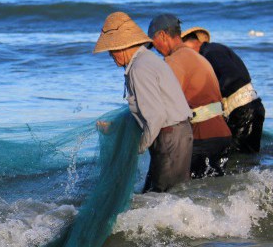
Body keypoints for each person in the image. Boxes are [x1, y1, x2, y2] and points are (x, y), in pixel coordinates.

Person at [94, 12, 193, 193]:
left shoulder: (139, 68)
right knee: (165, 195)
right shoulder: (146, 60)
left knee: (164, 198)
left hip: (169, 136)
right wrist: (115, 127)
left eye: (111, 50)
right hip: (175, 134)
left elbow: (156, 116)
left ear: (121, 47)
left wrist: (137, 147)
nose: (110, 55)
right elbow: (145, 110)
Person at [148, 14, 232, 178]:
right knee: (212, 193)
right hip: (222, 134)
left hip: (204, 137)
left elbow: (164, 103)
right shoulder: (197, 57)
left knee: (184, 193)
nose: (156, 50)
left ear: (163, 36)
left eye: (154, 43)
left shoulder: (174, 60)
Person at [181, 27, 265, 153]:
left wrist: (212, 97)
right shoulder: (214, 50)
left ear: (192, 43)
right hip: (249, 108)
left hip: (244, 112)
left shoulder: (210, 52)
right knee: (246, 157)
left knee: (237, 157)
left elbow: (232, 76)